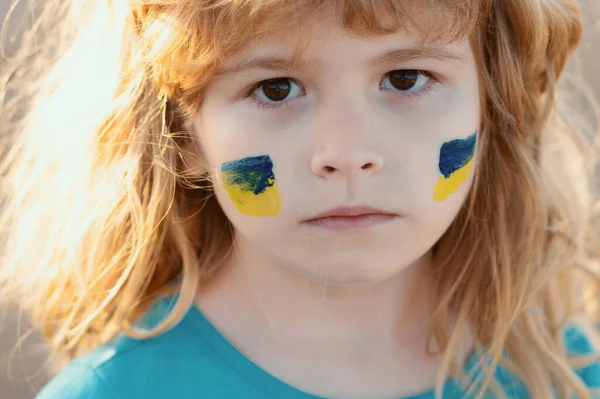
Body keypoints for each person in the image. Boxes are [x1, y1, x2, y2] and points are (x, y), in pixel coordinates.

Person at [1, 0, 599, 397]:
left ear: (493, 104)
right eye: (276, 87)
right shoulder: (117, 392)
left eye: (405, 79)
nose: (346, 151)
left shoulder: (561, 375)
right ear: (184, 135)